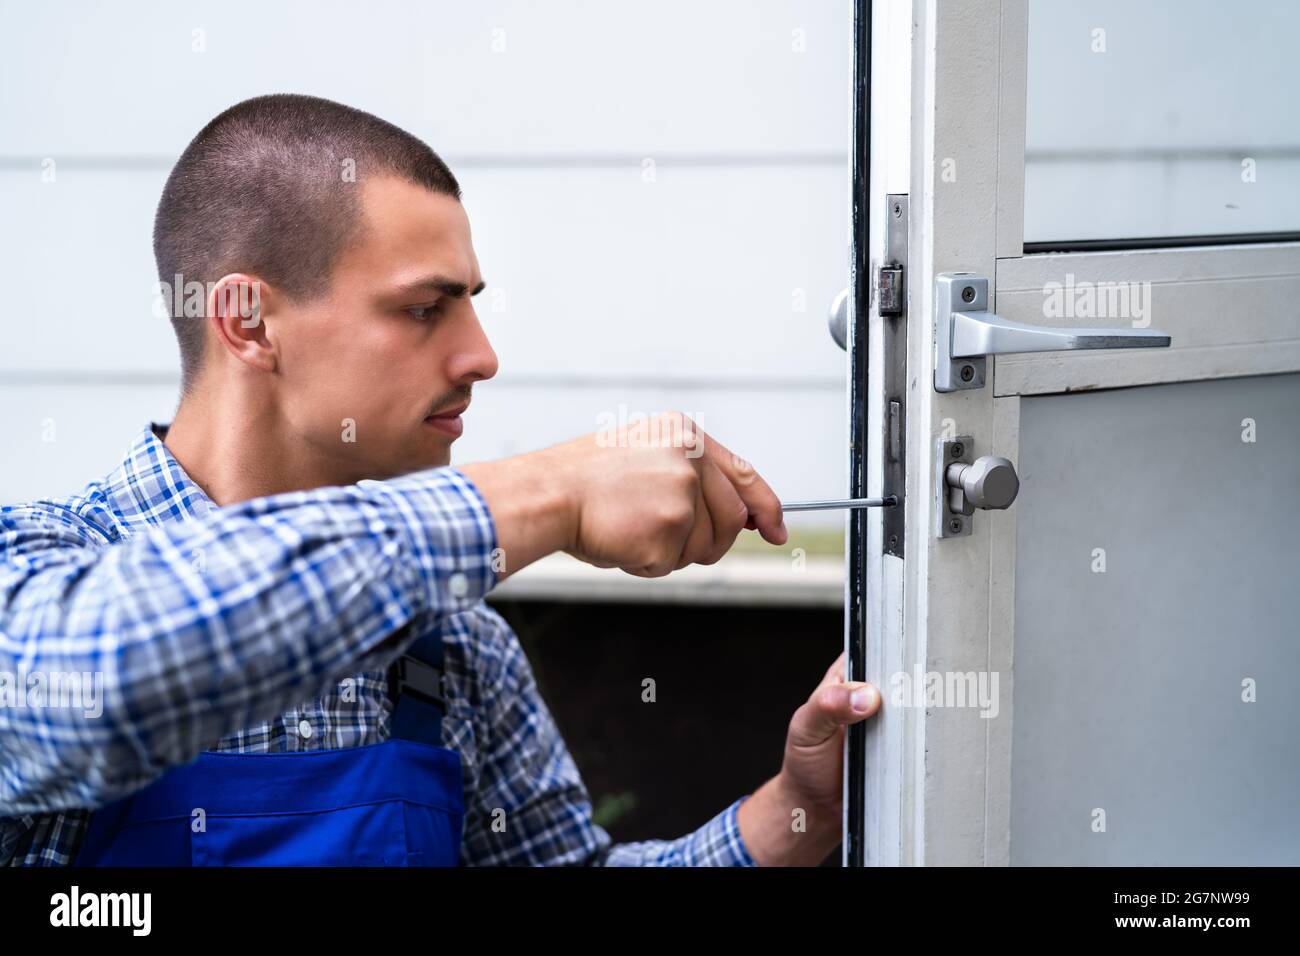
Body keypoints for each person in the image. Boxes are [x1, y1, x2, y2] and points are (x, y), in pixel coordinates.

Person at [0, 94, 881, 867]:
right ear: (248, 323)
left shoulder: (455, 650)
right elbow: (101, 680)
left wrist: (801, 815)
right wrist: (551, 492)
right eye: (424, 309)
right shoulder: (35, 573)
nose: (482, 357)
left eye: (471, 303)